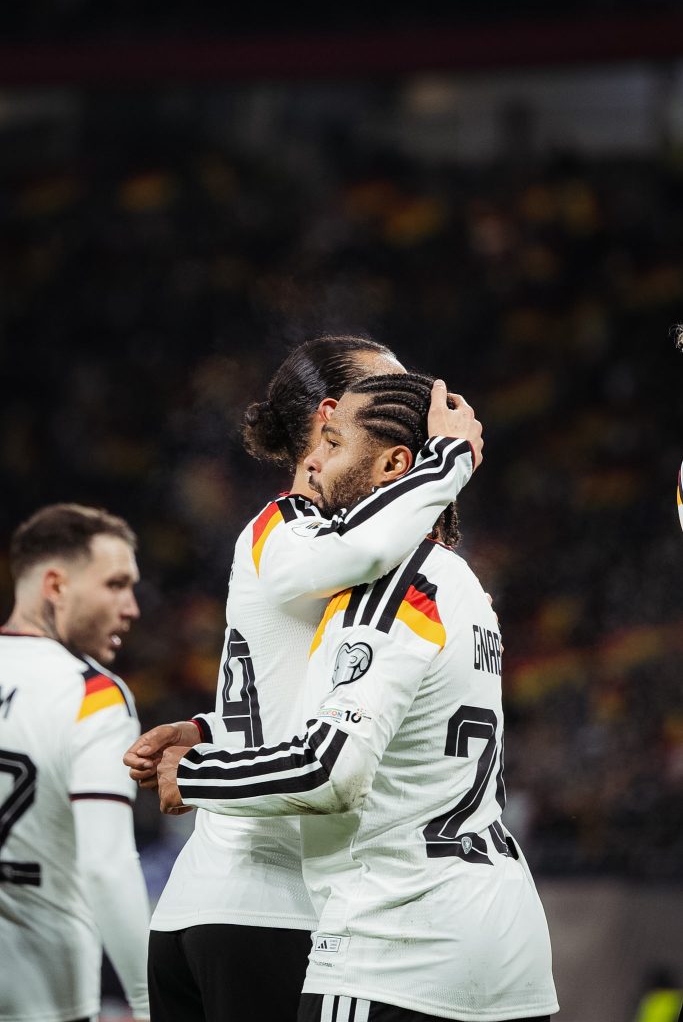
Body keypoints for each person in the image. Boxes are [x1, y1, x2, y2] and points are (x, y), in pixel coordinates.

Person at [157, 372, 558, 1022]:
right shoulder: (463, 587)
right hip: (507, 940)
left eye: (334, 443)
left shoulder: (384, 587)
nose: (312, 461)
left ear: (393, 464)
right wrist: (213, 727)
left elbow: (331, 770)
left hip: (399, 947)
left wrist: (199, 772)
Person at [0, 503, 150, 1022]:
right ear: (56, 585)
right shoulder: (93, 695)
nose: (131, 608)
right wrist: (151, 1001)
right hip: (46, 995)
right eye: (115, 584)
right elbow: (106, 867)